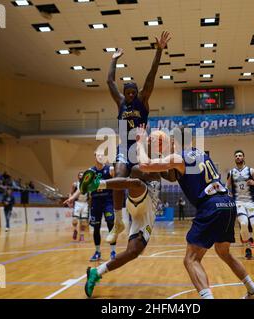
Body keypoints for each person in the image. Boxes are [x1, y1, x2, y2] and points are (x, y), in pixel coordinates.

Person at [135, 127, 254, 299]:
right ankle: (253, 291)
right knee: (224, 252)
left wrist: (139, 143)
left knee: (190, 259)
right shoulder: (202, 154)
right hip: (228, 204)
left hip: (210, 206)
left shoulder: (178, 157)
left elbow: (145, 165)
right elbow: (174, 175)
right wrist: (163, 153)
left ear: (175, 141)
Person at [105, 31, 171, 244]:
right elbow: (109, 81)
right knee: (117, 175)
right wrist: (114, 59)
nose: (131, 94)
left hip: (141, 148)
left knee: (144, 176)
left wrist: (159, 51)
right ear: (125, 93)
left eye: (134, 91)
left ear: (138, 92)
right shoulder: (121, 102)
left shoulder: (143, 100)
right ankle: (117, 222)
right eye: (128, 92)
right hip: (125, 148)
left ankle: (150, 203)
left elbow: (151, 76)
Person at [66, 163, 167, 298]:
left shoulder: (163, 162)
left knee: (133, 251)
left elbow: (172, 176)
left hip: (149, 212)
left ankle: (96, 272)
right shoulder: (140, 163)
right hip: (141, 197)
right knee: (136, 182)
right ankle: (96, 184)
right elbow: (136, 170)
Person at [226, 150, 254, 260]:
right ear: (234, 158)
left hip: (250, 202)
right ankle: (248, 248)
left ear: (244, 157)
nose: (238, 157)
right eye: (236, 156)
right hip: (238, 202)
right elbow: (226, 186)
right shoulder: (231, 172)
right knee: (243, 223)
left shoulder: (250, 170)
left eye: (240, 155)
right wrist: (227, 194)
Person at [86, 152, 117, 261]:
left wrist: (114, 173)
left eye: (102, 155)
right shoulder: (90, 171)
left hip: (107, 201)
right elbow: (83, 187)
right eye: (98, 155)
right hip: (95, 202)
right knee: (96, 228)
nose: (100, 157)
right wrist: (72, 198)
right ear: (94, 156)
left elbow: (117, 180)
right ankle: (97, 252)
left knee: (110, 223)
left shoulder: (110, 169)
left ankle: (113, 251)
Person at [69, 172, 89, 241]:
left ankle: (82, 235)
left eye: (82, 175)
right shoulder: (75, 184)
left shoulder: (88, 185)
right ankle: (75, 230)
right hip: (78, 203)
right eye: (80, 175)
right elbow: (71, 193)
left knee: (84, 222)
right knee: (75, 221)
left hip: (85, 203)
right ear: (78, 176)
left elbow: (90, 196)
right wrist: (70, 201)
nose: (81, 176)